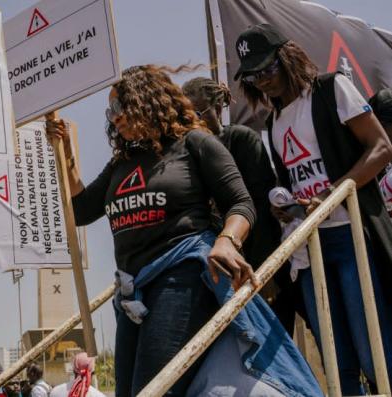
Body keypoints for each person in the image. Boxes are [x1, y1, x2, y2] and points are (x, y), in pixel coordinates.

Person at [47, 64, 321, 397]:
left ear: (146, 100)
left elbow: (241, 204)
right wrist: (65, 154)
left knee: (153, 390)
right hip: (133, 291)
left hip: (183, 276)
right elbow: (81, 210)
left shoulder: (194, 143)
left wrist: (227, 241)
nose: (113, 117)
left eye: (120, 107)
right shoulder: (122, 163)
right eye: (110, 111)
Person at [235, 23, 392, 394]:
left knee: (375, 355)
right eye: (253, 76)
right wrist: (288, 207)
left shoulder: (329, 89)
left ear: (288, 56)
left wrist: (332, 194)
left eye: (268, 68)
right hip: (310, 248)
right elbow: (297, 182)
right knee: (337, 364)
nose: (263, 81)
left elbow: (381, 147)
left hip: (352, 236)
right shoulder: (274, 122)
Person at [182, 77, 306, 335]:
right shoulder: (189, 153)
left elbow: (261, 207)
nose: (193, 121)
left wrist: (266, 272)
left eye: (198, 112)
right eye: (185, 116)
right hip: (223, 275)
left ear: (217, 108)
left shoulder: (241, 140)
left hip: (260, 267)